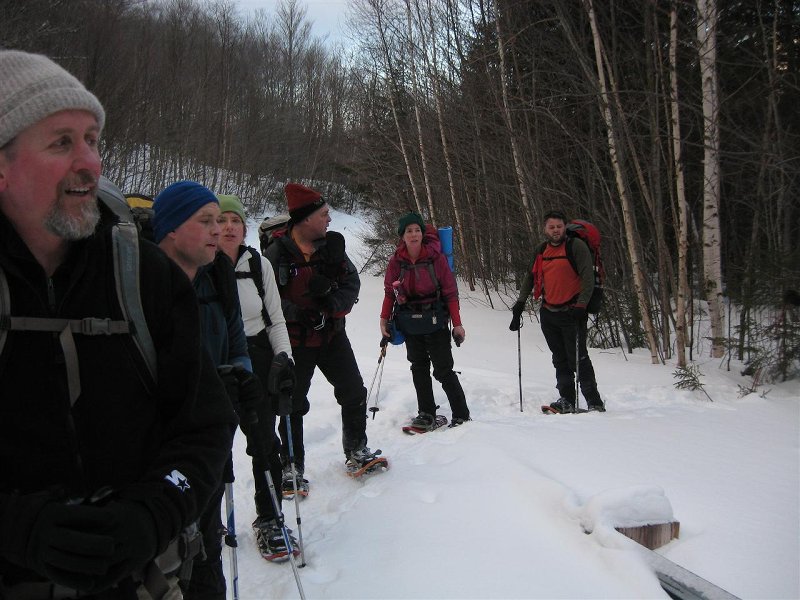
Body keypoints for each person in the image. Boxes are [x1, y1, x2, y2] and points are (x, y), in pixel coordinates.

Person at [0, 50, 236, 599]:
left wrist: (151, 515)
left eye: (93, 140)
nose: (90, 162)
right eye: (62, 142)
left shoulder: (141, 274)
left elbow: (203, 427)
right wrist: (21, 528)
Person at [153, 181, 256, 599]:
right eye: (206, 221)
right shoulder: (146, 283)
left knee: (208, 534)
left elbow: (234, 332)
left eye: (222, 220)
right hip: (163, 438)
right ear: (172, 228)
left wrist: (242, 374)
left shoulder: (217, 276)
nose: (218, 230)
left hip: (212, 420)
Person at [263, 182, 387, 484]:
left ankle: (357, 449)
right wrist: (299, 314)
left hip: (332, 336)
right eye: (324, 214)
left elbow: (352, 284)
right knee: (291, 404)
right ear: (305, 219)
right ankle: (292, 467)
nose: (329, 220)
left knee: (354, 393)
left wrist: (330, 306)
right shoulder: (276, 255)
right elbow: (267, 300)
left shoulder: (332, 249)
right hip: (295, 342)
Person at [216, 193, 299, 561]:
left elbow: (275, 318)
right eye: (221, 220)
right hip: (215, 358)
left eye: (236, 221)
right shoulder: (200, 264)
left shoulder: (257, 263)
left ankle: (268, 517)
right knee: (213, 445)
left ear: (245, 227)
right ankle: (206, 519)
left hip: (259, 354)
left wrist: (284, 357)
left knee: (265, 441)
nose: (229, 227)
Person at [379, 212, 470, 430]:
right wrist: (384, 319)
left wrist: (457, 324)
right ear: (402, 236)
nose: (414, 234)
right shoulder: (396, 261)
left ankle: (461, 414)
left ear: (422, 233)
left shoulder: (435, 258)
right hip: (410, 322)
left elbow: (450, 292)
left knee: (443, 369)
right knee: (418, 367)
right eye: (409, 231)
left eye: (417, 230)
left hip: (436, 320)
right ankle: (426, 413)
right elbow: (389, 293)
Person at [509, 210, 605, 413]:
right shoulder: (541, 249)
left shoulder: (575, 246)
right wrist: (520, 304)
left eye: (559, 226)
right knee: (559, 358)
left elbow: (588, 277)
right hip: (548, 312)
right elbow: (530, 276)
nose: (555, 230)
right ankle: (567, 398)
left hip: (572, 312)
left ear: (565, 227)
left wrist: (581, 305)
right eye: (551, 227)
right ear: (545, 229)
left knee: (578, 358)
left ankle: (594, 401)